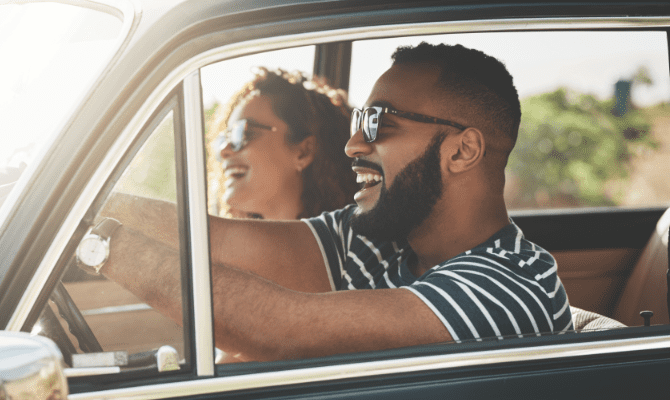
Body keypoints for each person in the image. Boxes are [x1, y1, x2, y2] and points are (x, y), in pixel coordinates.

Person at [100, 42, 574, 361]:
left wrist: (102, 246)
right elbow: (217, 242)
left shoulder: (509, 292)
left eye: (377, 123)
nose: (353, 145)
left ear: (462, 150)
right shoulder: (380, 238)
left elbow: (282, 328)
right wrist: (92, 210)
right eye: (356, 120)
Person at [208, 67, 358, 220]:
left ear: (303, 151)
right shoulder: (228, 243)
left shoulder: (345, 243)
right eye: (224, 139)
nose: (224, 150)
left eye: (242, 133)